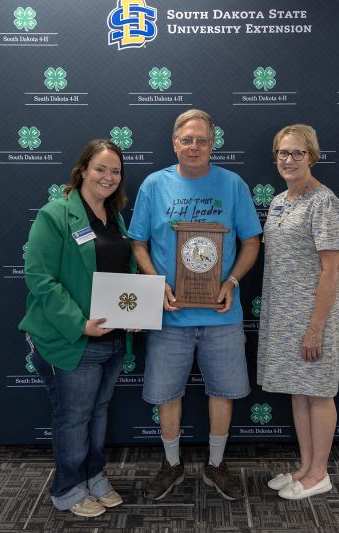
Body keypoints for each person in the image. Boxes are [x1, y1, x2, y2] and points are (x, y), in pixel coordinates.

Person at [128, 109, 262, 501]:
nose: (194, 146)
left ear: (212, 144)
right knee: (167, 394)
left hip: (222, 316)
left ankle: (216, 464)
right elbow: (138, 242)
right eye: (187, 139)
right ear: (175, 143)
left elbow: (252, 241)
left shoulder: (233, 184)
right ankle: (171, 465)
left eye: (202, 140)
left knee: (222, 392)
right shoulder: (154, 185)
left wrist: (233, 281)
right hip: (170, 315)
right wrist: (155, 284)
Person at [19, 139, 135, 517]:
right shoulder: (55, 215)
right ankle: (68, 489)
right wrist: (79, 323)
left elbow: (121, 275)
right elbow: (39, 278)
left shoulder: (114, 217)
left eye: (115, 171)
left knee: (98, 411)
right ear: (83, 169)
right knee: (73, 417)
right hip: (71, 339)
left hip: (113, 339)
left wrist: (134, 315)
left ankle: (94, 477)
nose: (108, 177)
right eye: (101, 168)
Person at [257, 124, 339, 500]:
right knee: (299, 392)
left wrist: (315, 328)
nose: (288, 159)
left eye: (296, 153)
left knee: (319, 392)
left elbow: (332, 270)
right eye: (282, 152)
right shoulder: (280, 200)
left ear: (312, 156)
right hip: (283, 317)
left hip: (315, 317)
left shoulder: (324, 202)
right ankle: (306, 467)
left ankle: (320, 473)